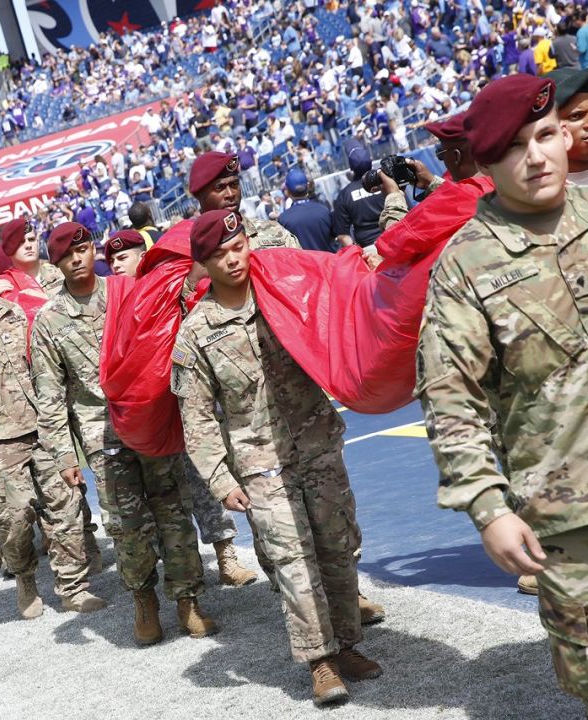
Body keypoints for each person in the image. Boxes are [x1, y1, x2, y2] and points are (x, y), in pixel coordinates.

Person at [416, 74, 588, 718]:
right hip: (577, 520)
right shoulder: (465, 265)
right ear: (487, 165)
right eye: (515, 147)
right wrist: (487, 506)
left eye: (546, 134)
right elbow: (449, 397)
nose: (538, 157)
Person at [172, 209, 380, 706]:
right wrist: (221, 480)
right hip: (261, 462)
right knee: (293, 561)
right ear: (204, 261)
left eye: (238, 245)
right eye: (220, 253)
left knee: (337, 548)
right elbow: (196, 417)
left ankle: (348, 645)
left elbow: (342, 300)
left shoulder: (286, 293)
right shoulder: (196, 333)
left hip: (318, 444)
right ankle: (320, 661)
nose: (234, 258)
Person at [32, 223, 216, 645]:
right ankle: (144, 600)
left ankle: (188, 600)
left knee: (173, 509)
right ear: (56, 263)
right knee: (127, 525)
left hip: (151, 417)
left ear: (92, 248)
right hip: (102, 436)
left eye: (82, 249)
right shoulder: (48, 320)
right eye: (66, 255)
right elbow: (50, 393)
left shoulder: (127, 290)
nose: (77, 259)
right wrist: (63, 456)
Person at [0, 239, 104, 619]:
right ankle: (25, 578)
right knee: (14, 520)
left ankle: (73, 587)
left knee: (66, 508)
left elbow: (42, 373)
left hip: (41, 430)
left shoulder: (15, 314)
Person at [188, 151, 300, 250]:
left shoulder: (274, 231)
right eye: (219, 188)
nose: (231, 194)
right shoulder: (187, 245)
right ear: (199, 195)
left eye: (234, 184)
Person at [377, 114, 466, 232]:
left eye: (441, 153)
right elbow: (460, 201)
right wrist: (431, 183)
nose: (442, 159)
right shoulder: (487, 189)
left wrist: (394, 196)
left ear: (456, 156)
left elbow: (400, 241)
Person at [332, 143, 387, 250]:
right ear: (371, 162)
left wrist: (359, 255)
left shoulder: (344, 194)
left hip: (368, 250)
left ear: (351, 167)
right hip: (396, 240)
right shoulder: (387, 182)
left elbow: (343, 235)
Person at [277, 169, 338, 252]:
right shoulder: (324, 210)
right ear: (307, 186)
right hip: (328, 263)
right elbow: (337, 237)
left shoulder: (283, 219)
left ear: (287, 191)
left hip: (302, 264)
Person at [0, 217, 63, 297]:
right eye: (21, 242)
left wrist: (44, 298)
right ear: (9, 249)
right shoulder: (5, 285)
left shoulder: (60, 272)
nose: (28, 245)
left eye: (31, 239)